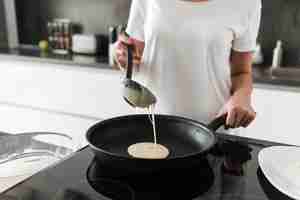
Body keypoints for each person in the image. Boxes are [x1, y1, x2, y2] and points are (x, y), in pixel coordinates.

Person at [116, 0, 261, 130]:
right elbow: (135, 57)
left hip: (213, 127)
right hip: (150, 122)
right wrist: (125, 56)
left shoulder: (247, 3)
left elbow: (241, 71)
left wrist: (242, 96)